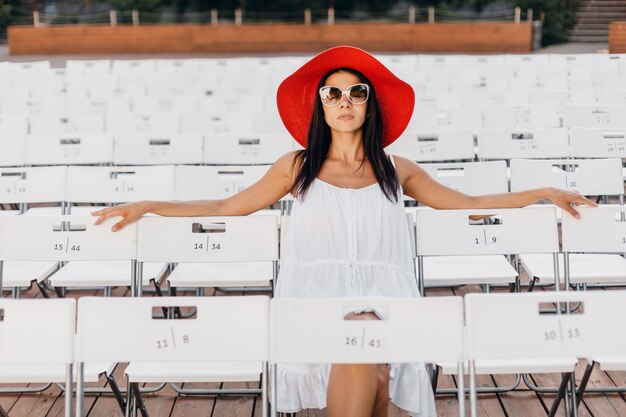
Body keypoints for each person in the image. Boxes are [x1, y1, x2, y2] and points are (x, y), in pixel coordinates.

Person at [92, 46, 595, 417]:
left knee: (371, 361)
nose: (345, 100)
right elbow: (229, 206)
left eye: (357, 91)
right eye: (333, 93)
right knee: (363, 357)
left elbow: (467, 203)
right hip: (317, 297)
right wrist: (152, 204)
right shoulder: (298, 166)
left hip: (387, 296)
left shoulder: (398, 170)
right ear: (321, 106)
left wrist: (542, 192)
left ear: (369, 104)